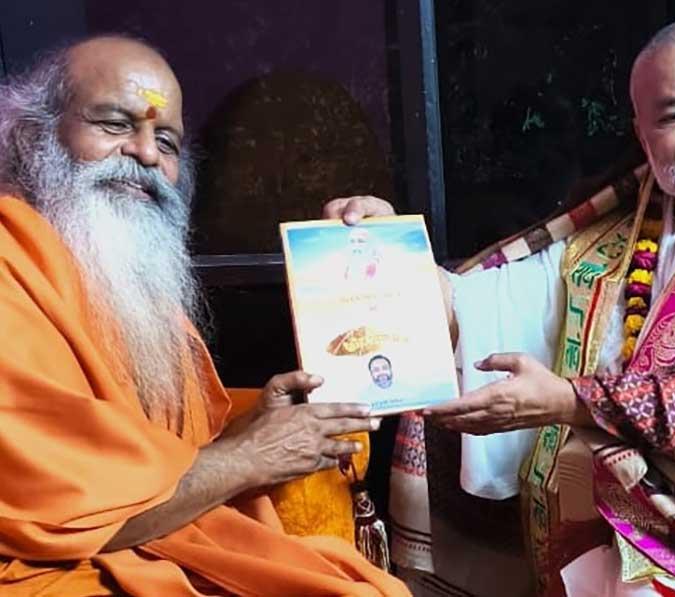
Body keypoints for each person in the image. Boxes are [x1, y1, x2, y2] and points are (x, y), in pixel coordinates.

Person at [325, 15, 675, 597]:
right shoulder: (610, 245)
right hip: (612, 549)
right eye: (674, 114)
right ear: (642, 133)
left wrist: (573, 401)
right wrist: (383, 256)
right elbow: (479, 310)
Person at [0, 35, 410, 596]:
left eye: (165, 140)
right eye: (117, 125)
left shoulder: (125, 278)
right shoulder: (10, 266)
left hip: (159, 545)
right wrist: (248, 455)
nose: (146, 154)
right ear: (32, 138)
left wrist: (249, 428)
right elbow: (62, 503)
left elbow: (158, 451)